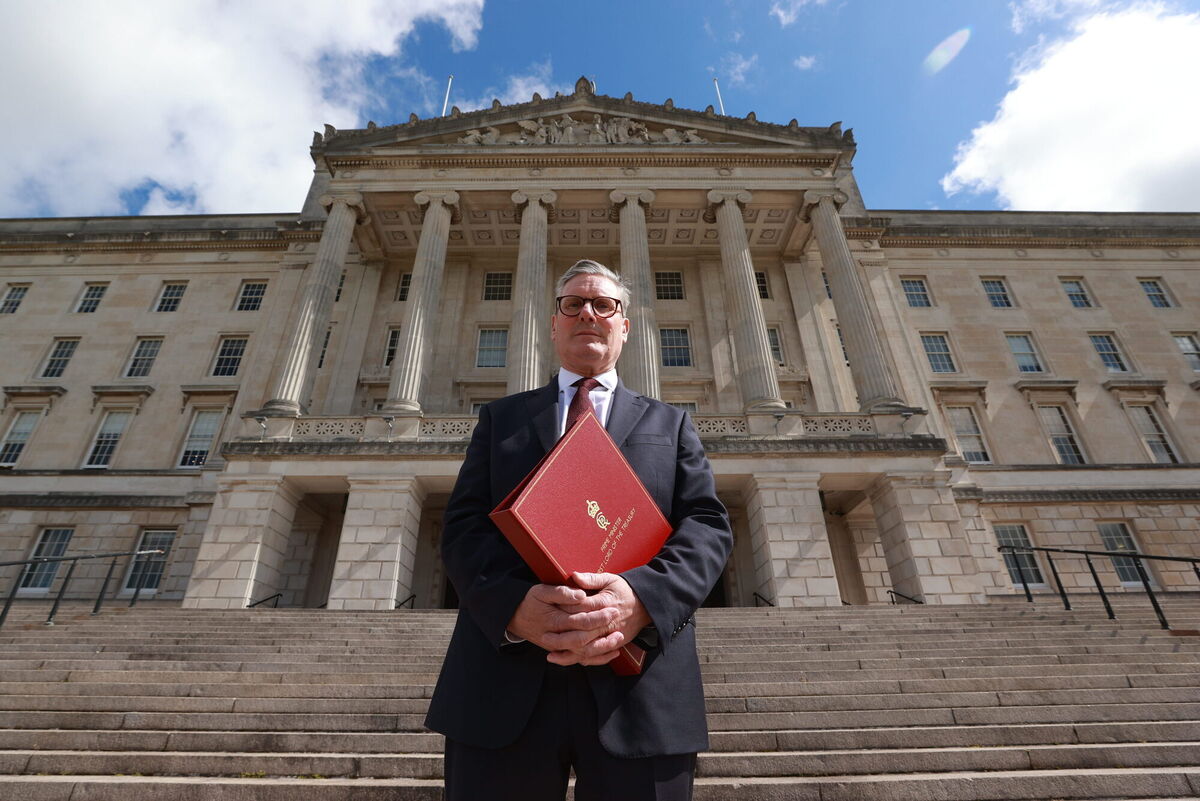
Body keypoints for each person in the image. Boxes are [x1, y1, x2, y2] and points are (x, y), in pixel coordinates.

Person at [425, 259, 733, 801]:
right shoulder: (501, 419)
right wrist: (513, 606)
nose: (588, 313)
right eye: (574, 304)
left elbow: (707, 527)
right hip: (505, 682)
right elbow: (463, 527)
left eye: (604, 304)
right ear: (554, 323)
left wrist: (640, 599)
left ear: (625, 325)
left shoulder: (671, 422)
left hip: (639, 685)